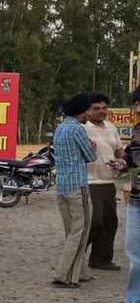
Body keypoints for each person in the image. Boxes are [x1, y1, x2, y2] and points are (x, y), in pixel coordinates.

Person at [52, 93, 97, 288]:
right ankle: (66, 275)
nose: (90, 114)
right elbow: (89, 156)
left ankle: (83, 271)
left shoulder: (61, 128)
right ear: (82, 110)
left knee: (71, 230)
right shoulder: (78, 129)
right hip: (78, 186)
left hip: (62, 186)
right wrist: (92, 148)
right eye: (89, 110)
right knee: (81, 231)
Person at [85, 92, 124, 271]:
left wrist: (121, 162)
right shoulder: (82, 127)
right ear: (88, 110)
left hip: (109, 181)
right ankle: (75, 256)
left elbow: (119, 151)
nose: (102, 111)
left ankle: (100, 260)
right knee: (95, 221)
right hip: (89, 181)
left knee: (110, 222)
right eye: (97, 108)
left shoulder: (111, 127)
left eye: (104, 108)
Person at [112, 88, 140, 303]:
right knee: (135, 252)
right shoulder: (139, 129)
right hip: (137, 199)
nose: (136, 109)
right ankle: (135, 301)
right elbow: (132, 154)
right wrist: (124, 163)